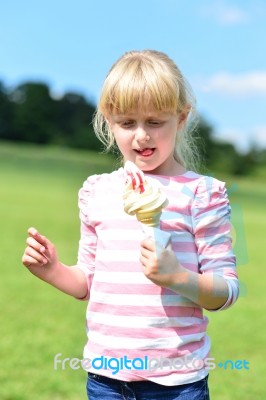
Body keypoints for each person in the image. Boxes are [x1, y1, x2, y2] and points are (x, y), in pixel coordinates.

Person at [22, 50, 239, 400]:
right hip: (106, 378)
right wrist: (53, 270)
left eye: (155, 122)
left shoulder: (202, 194)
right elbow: (87, 283)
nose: (141, 136)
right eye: (127, 123)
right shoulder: (97, 191)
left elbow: (226, 291)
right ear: (109, 121)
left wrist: (178, 277)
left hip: (178, 382)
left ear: (181, 119)